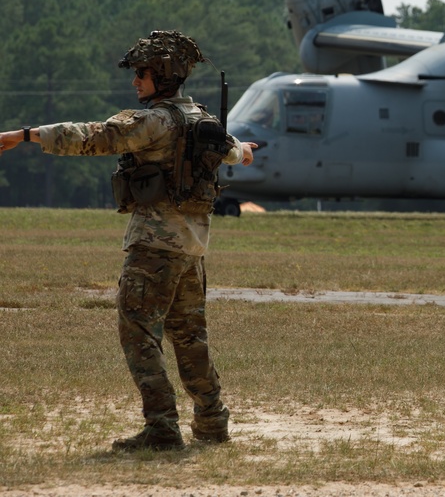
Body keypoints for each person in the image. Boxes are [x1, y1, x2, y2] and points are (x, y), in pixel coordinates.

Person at [0, 30, 258, 452]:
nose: (135, 81)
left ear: (165, 75)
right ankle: (213, 422)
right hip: (191, 251)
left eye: (142, 73)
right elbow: (236, 152)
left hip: (153, 250)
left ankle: (161, 428)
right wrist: (246, 149)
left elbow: (94, 135)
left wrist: (24, 135)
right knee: (191, 339)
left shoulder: (153, 122)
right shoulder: (203, 121)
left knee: (138, 334)